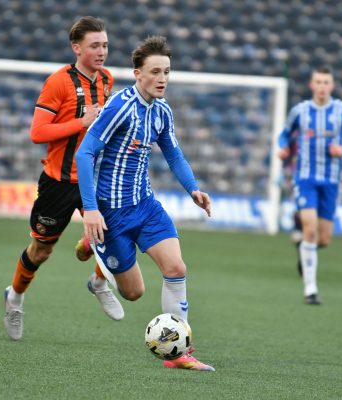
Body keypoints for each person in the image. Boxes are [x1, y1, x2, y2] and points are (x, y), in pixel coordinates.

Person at [76, 35, 215, 371]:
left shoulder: (162, 110)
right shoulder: (119, 107)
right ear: (138, 74)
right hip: (111, 213)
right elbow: (84, 153)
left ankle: (179, 354)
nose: (162, 78)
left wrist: (193, 189)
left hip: (146, 206)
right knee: (134, 293)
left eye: (166, 71)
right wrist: (91, 209)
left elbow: (174, 154)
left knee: (176, 269)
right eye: (155, 72)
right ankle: (97, 265)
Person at [3, 16, 124, 342]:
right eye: (95, 46)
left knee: (116, 234)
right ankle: (15, 297)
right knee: (41, 251)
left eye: (105, 45)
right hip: (57, 182)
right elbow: (37, 133)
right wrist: (80, 122)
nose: (102, 52)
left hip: (92, 180)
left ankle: (98, 282)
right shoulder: (58, 83)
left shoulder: (107, 79)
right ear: (76, 47)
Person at [278, 66, 342, 305]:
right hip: (305, 178)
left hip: (331, 181)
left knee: (323, 239)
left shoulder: (341, 111)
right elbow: (284, 134)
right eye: (319, 82)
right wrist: (283, 148)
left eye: (326, 82)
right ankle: (311, 290)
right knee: (310, 229)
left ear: (332, 86)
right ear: (311, 85)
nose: (322, 86)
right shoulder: (300, 111)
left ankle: (304, 246)